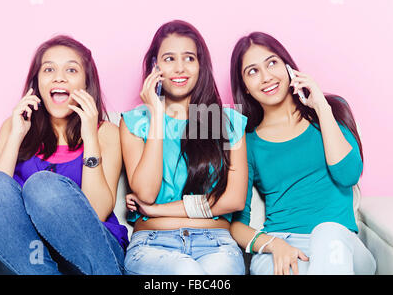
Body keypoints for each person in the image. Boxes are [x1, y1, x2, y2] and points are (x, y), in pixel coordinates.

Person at [0, 35, 128, 275]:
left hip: (91, 253)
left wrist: (90, 137)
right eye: (49, 69)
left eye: (71, 70)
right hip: (29, 256)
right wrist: (16, 135)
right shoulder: (13, 127)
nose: (59, 77)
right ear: (37, 82)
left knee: (42, 186)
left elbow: (98, 211)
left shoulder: (105, 132)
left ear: (86, 83)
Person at [229, 32, 376, 275]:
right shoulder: (249, 142)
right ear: (244, 86)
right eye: (252, 71)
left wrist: (320, 106)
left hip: (341, 242)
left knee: (328, 233)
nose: (266, 77)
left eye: (272, 63)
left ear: (288, 67)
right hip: (283, 244)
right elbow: (237, 225)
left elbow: (348, 175)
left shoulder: (331, 110)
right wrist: (274, 245)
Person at [120, 20, 248, 275]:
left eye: (189, 58)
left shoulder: (223, 121)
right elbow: (145, 192)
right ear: (155, 67)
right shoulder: (135, 122)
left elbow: (233, 200)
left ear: (201, 65)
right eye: (169, 59)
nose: (180, 68)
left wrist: (157, 210)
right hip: (153, 244)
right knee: (185, 270)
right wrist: (156, 114)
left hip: (216, 245)